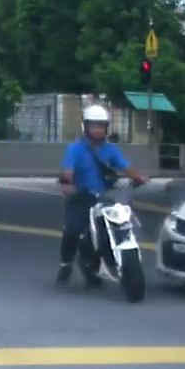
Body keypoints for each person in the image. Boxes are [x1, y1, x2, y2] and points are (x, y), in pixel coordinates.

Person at [56, 104, 148, 285]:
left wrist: (138, 178)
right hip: (82, 196)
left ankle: (111, 259)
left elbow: (125, 166)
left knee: (121, 222)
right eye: (93, 125)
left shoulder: (111, 150)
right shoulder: (75, 149)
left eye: (101, 125)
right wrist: (68, 185)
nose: (97, 129)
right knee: (73, 230)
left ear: (107, 128)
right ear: (86, 126)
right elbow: (68, 172)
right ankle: (66, 263)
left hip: (106, 197)